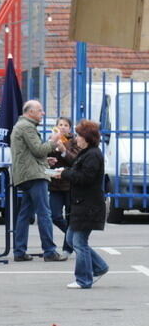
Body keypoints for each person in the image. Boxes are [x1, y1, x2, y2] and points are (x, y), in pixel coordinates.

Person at [53, 120, 109, 289]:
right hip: (82, 204)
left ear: (87, 138)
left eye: (79, 135)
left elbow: (85, 177)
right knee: (71, 238)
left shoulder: (93, 155)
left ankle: (83, 279)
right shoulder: (87, 153)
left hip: (89, 206)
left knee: (78, 242)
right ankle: (99, 267)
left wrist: (65, 174)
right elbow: (77, 170)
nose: (76, 138)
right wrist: (64, 172)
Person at [10, 100, 68, 262]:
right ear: (30, 112)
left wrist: (45, 160)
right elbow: (38, 149)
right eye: (40, 110)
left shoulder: (21, 126)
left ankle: (19, 251)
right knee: (44, 213)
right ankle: (49, 251)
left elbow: (30, 153)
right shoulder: (27, 127)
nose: (42, 113)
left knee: (24, 214)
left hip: (26, 174)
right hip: (34, 176)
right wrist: (53, 141)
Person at [48, 116, 78, 257]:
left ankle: (68, 248)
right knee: (55, 216)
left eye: (66, 125)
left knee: (70, 216)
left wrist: (63, 149)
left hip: (70, 184)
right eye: (60, 124)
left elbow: (75, 161)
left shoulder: (75, 142)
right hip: (55, 184)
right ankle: (73, 236)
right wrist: (52, 145)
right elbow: (45, 156)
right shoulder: (53, 139)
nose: (63, 127)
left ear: (70, 128)